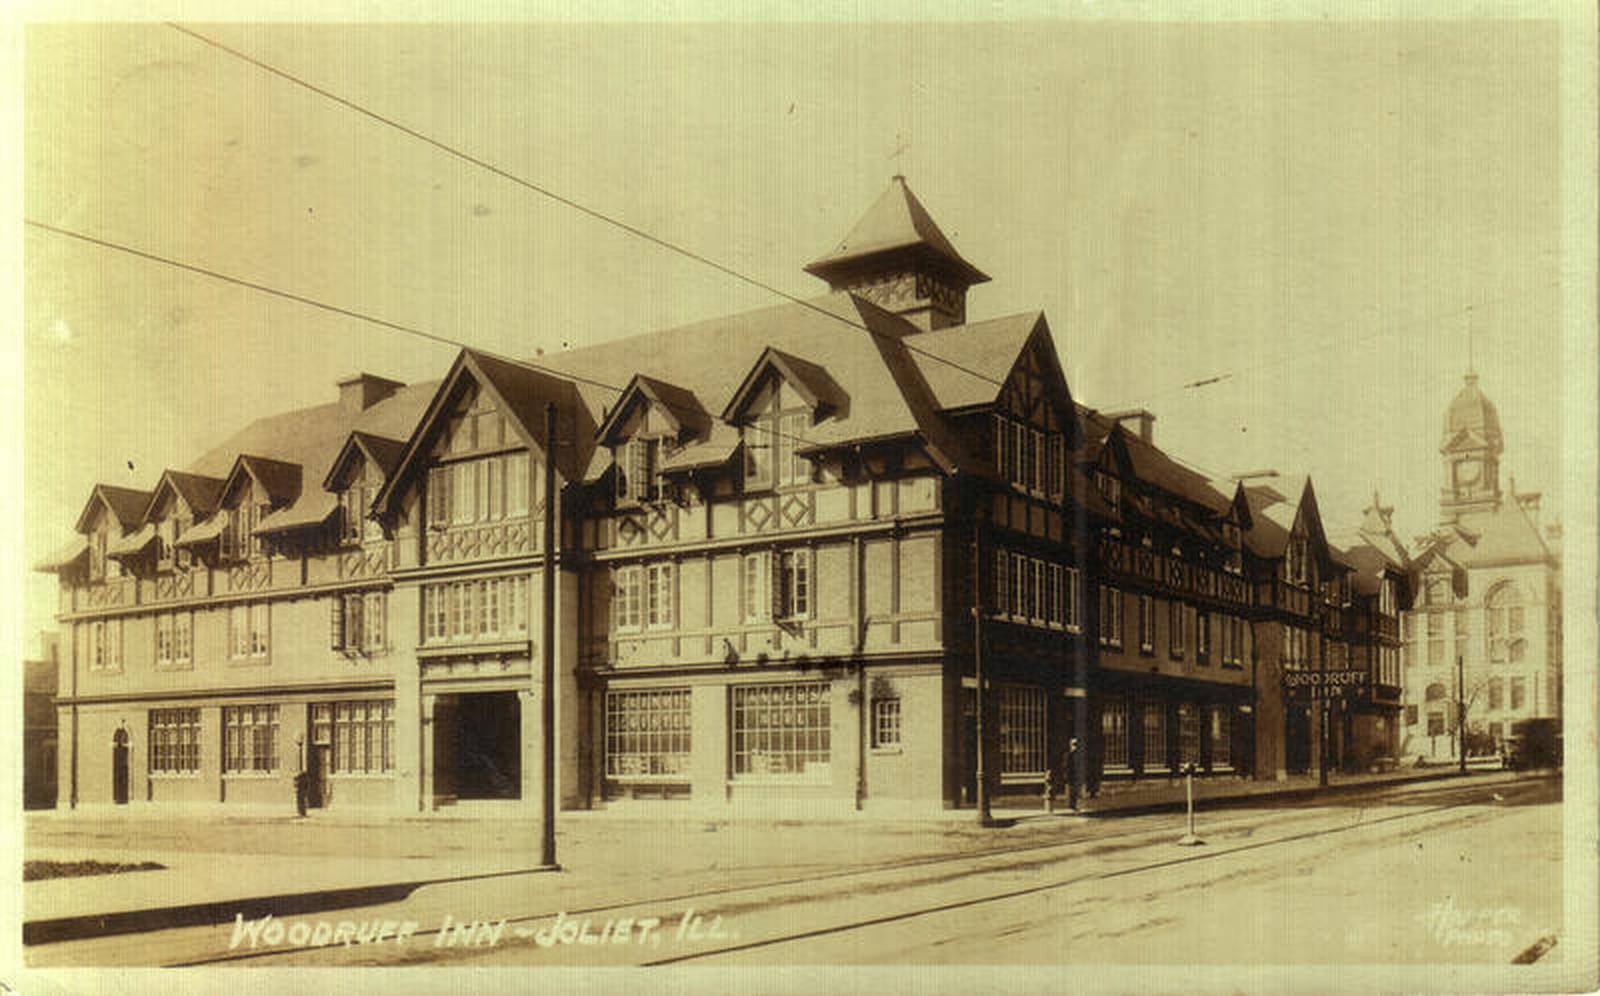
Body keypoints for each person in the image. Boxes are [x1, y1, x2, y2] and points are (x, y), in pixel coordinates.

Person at [1064, 737, 1082, 812]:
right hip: (1070, 775)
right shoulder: (1068, 755)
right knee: (1070, 791)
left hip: (1076, 775)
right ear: (1070, 745)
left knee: (1075, 791)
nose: (1075, 746)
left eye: (1076, 745)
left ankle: (1074, 805)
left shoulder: (1078, 755)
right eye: (1074, 744)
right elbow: (1066, 766)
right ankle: (1071, 805)